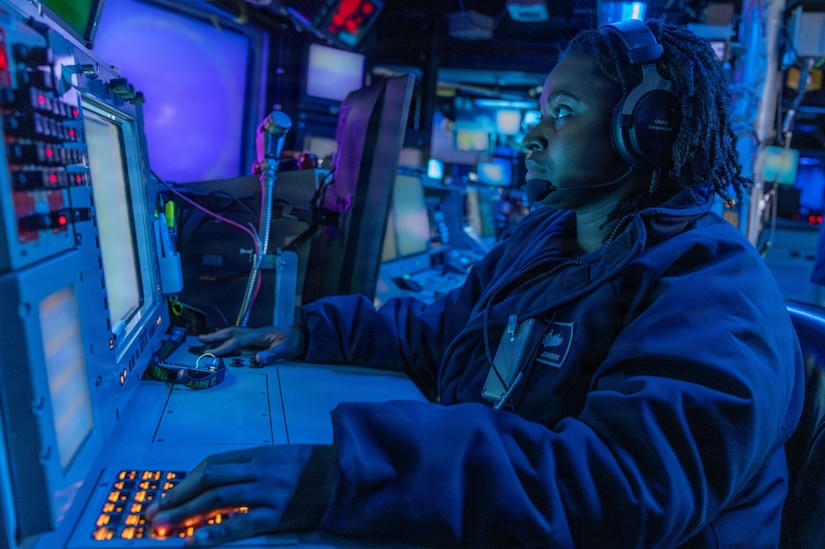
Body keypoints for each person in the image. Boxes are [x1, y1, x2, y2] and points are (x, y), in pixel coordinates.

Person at [145, 18, 804, 547]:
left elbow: (616, 492)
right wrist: (310, 330)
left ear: (646, 131)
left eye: (563, 112)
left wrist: (350, 471)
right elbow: (449, 333)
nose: (533, 136)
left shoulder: (714, 294)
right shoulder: (549, 239)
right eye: (541, 110)